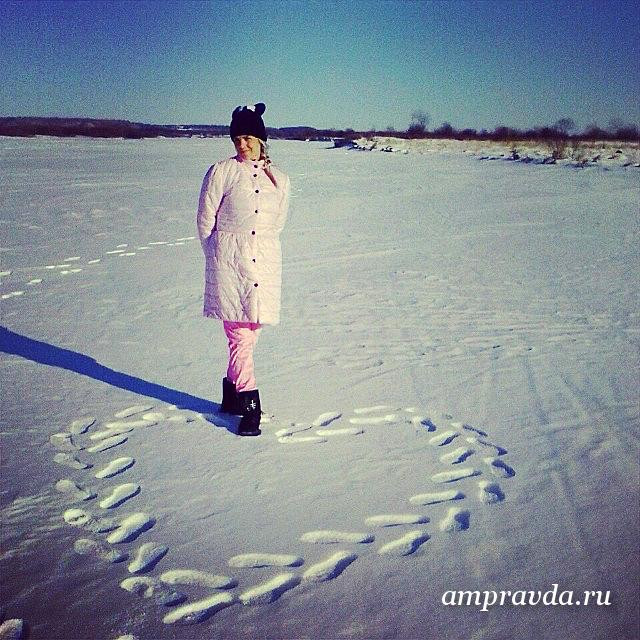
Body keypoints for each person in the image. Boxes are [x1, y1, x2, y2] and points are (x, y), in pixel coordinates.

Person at [196, 103, 290, 436]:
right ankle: (250, 407)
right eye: (237, 139)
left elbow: (277, 224)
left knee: (250, 335)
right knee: (239, 336)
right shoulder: (221, 172)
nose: (241, 144)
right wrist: (217, 255)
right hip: (229, 264)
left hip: (263, 264)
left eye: (247, 138)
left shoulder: (280, 180)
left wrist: (259, 248)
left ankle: (230, 395)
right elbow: (205, 220)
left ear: (261, 139)